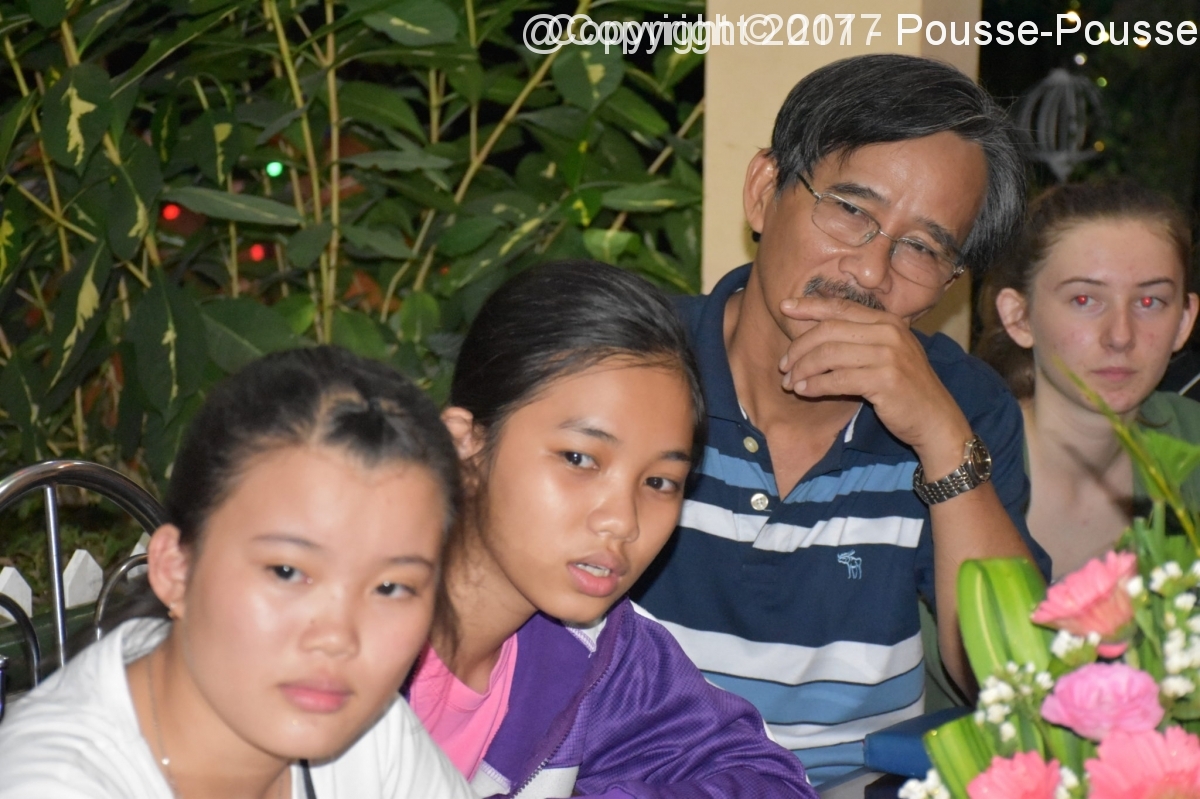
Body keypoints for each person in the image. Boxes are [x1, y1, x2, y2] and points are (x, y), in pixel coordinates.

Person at [630, 54, 1052, 786]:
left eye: (922, 247)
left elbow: (1018, 685)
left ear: (951, 284)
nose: (870, 271)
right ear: (764, 192)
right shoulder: (629, 369)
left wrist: (939, 436)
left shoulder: (965, 405)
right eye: (852, 211)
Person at [407, 260, 817, 798]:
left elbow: (774, 783)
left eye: (659, 482)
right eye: (579, 458)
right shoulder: (337, 634)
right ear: (465, 445)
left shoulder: (600, 653)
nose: (622, 521)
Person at [0, 347, 474, 799]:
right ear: (175, 568)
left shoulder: (372, 739)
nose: (337, 638)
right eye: (287, 572)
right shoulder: (51, 785)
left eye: (391, 587)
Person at [978, 180, 1200, 579]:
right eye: (1084, 300)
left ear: (1184, 322)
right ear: (1019, 317)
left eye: (1149, 301)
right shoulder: (956, 462)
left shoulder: (1192, 446)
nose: (1121, 336)